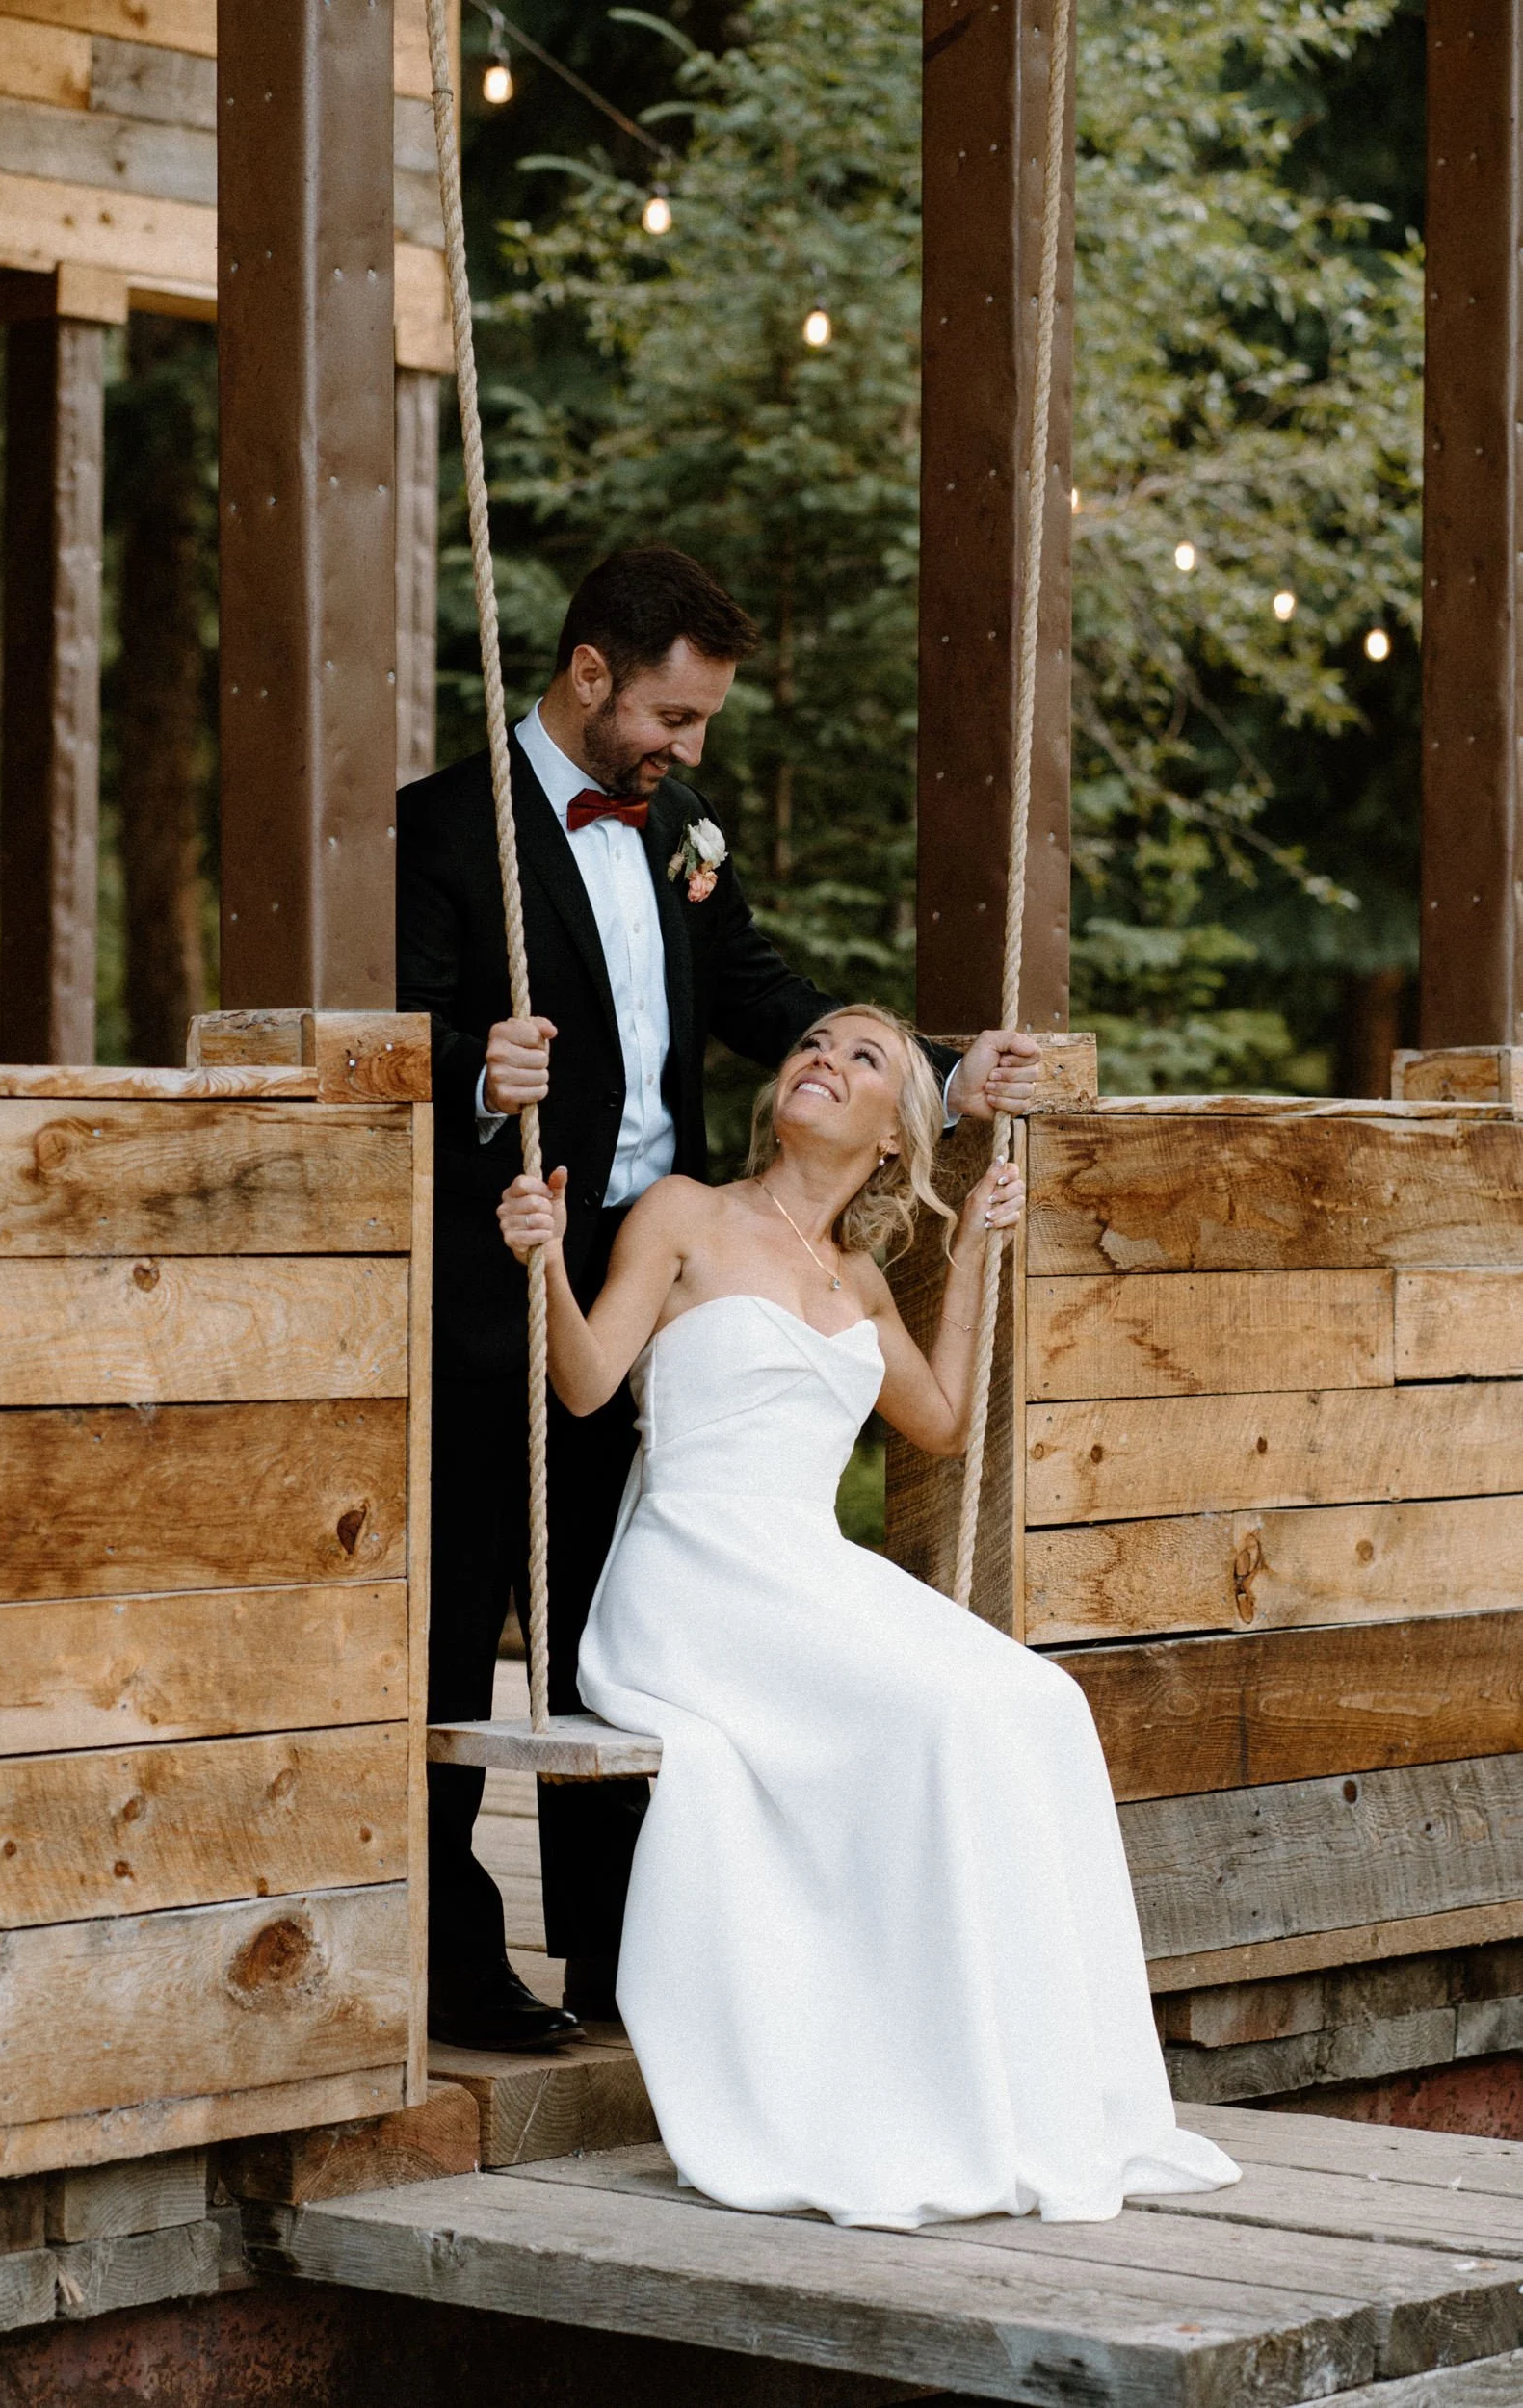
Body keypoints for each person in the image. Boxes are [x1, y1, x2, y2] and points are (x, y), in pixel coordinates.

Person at [398, 545, 1041, 2051]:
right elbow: (401, 1040)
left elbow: (765, 996)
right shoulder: (443, 827)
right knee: (455, 1634)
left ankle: (619, 1960)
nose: (687, 754)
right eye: (671, 721)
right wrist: (469, 1078)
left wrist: (938, 1073)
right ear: (588, 675)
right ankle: (450, 1960)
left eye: (699, 730)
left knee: (612, 1633)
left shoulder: (676, 829)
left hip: (673, 1277)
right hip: (504, 1263)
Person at [496, 1004, 1240, 2228]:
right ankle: (915, 2077)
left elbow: (941, 1418)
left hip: (806, 1569)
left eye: (859, 1057)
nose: (817, 1061)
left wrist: (977, 1256)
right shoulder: (682, 1211)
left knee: (1039, 1702)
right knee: (944, 1717)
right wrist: (542, 1261)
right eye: (808, 1043)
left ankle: (1037, 2090)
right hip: (694, 1574)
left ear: (895, 1138)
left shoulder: (856, 1281)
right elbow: (581, 1385)